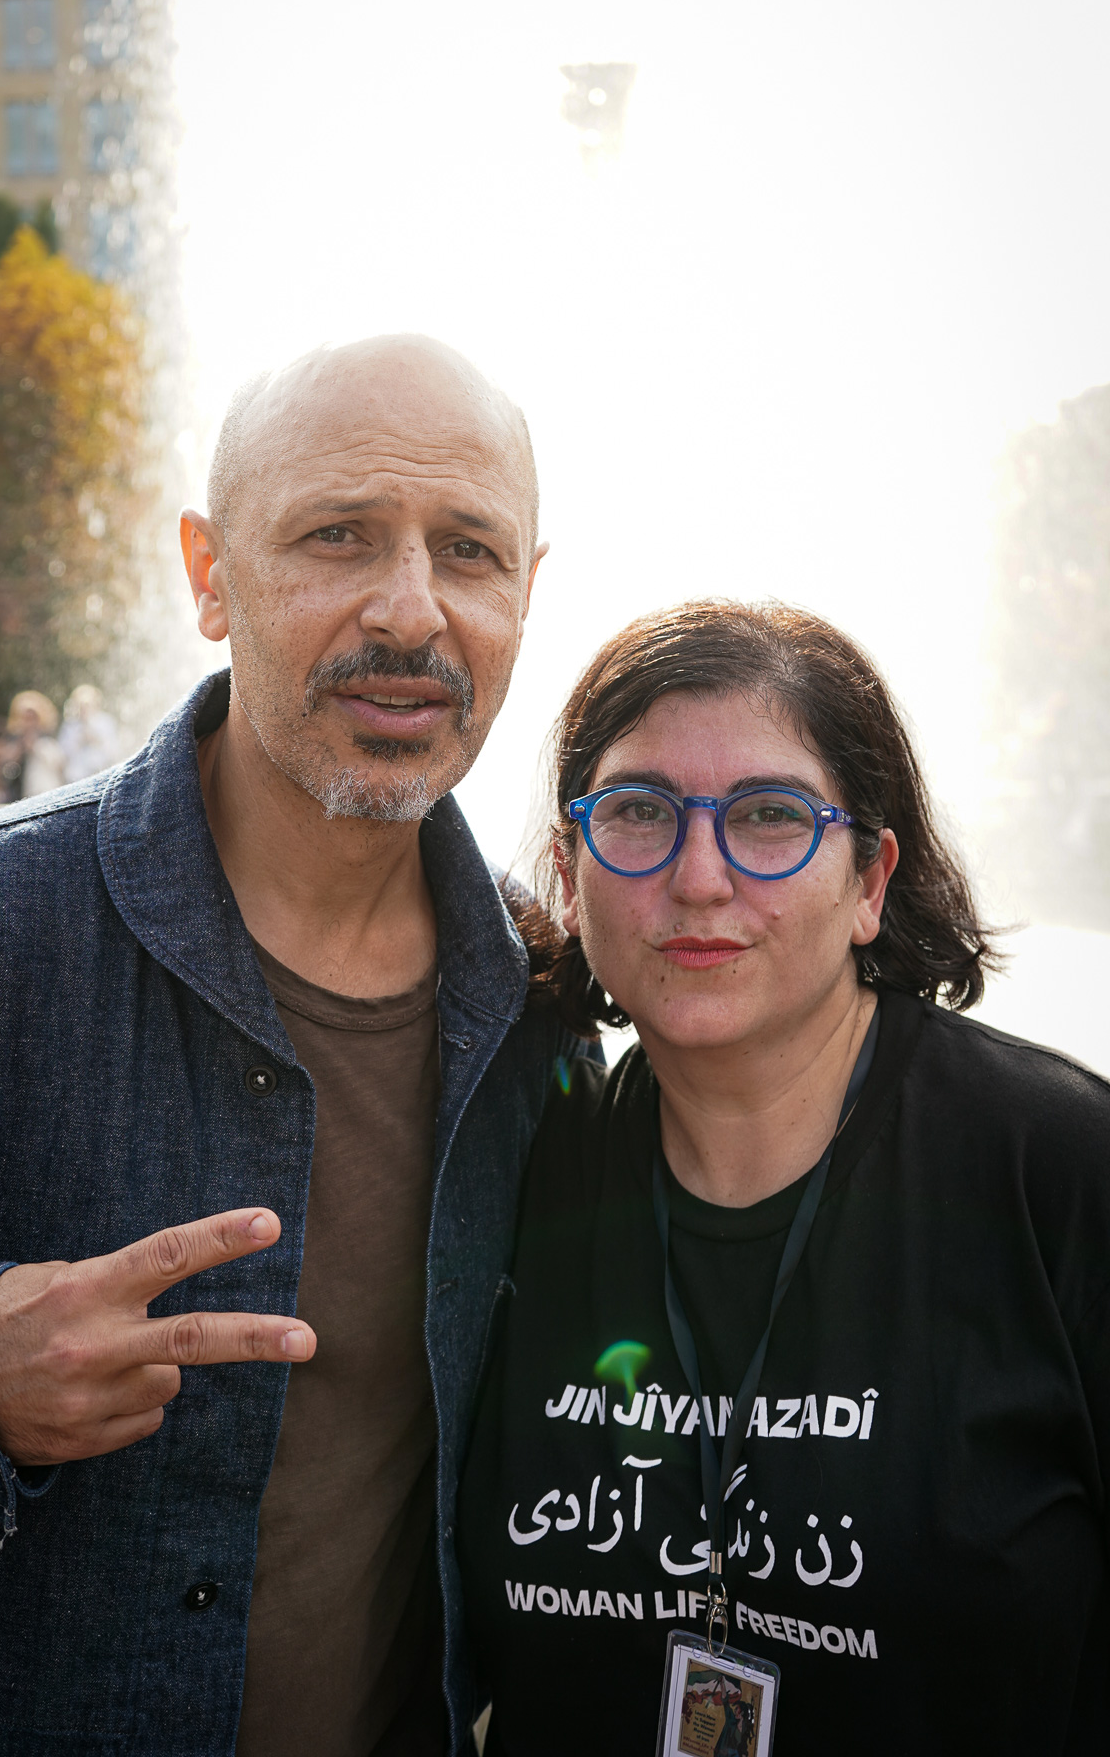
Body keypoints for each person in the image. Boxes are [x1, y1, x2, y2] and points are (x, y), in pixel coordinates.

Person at [0, 335, 592, 1757]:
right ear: (208, 575)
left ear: (527, 595)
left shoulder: (544, 1013)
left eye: (471, 552)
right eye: (338, 537)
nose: (413, 612)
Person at [457, 599, 1110, 1756]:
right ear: (570, 873)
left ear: (871, 879)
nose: (699, 876)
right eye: (637, 812)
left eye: (769, 817)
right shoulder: (517, 1171)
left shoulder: (1059, 1167)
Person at [5, 689, 65, 797]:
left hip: (44, 793)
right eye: (24, 718)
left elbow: (59, 764)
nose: (28, 722)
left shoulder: (47, 738)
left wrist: (35, 747)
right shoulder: (15, 740)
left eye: (32, 718)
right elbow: (7, 766)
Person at [59, 682, 122, 781]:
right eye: (80, 704)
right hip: (76, 777)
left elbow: (114, 750)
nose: (84, 708)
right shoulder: (70, 725)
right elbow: (63, 754)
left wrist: (96, 740)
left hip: (100, 774)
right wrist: (79, 740)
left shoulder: (105, 722)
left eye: (87, 704)